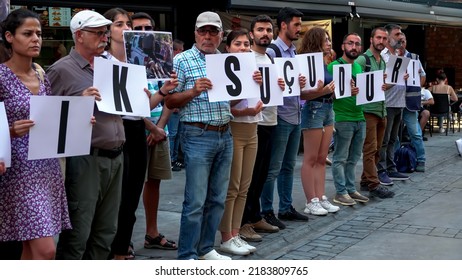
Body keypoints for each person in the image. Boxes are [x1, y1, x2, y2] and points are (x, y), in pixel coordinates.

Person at [47, 10, 125, 260]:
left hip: (116, 155)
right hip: (85, 157)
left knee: (106, 231)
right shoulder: (61, 70)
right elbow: (47, 118)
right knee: (79, 231)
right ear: (79, 35)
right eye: (98, 32)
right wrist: (78, 102)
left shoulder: (109, 64)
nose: (104, 37)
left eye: (105, 32)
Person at [0, 8, 71, 259]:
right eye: (28, 33)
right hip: (17, 170)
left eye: (39, 34)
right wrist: (9, 130)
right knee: (46, 249)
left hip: (46, 166)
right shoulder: (1, 76)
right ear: (9, 37)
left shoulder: (41, 74)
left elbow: (48, 118)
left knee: (32, 250)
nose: (36, 39)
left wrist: (77, 121)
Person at [164, 11, 233, 260]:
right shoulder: (182, 60)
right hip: (197, 133)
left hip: (225, 132)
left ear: (220, 36)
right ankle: (187, 255)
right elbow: (170, 100)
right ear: (195, 33)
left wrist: (253, 82)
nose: (207, 36)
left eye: (213, 31)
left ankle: (205, 248)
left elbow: (233, 99)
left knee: (217, 198)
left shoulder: (226, 60)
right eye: (203, 31)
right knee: (195, 200)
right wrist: (193, 91)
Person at [131, 12, 179, 253]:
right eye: (137, 28)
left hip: (160, 127)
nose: (143, 32)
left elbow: (169, 96)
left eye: (147, 27)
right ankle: (124, 238)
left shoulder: (162, 59)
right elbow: (126, 104)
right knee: (129, 186)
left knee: (154, 183)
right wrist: (150, 126)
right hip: (135, 129)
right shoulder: (126, 60)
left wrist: (160, 126)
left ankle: (152, 232)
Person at [261, 7, 308, 230]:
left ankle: (286, 207)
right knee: (273, 167)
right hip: (279, 116)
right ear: (283, 25)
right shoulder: (272, 52)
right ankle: (266, 211)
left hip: (295, 113)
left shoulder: (293, 52)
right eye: (296, 24)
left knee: (289, 165)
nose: (299, 29)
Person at [239, 14, 284, 242]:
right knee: (250, 176)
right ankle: (243, 222)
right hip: (253, 123)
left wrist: (281, 85)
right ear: (251, 33)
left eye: (268, 30)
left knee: (262, 174)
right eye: (260, 30)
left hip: (271, 120)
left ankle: (255, 216)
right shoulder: (246, 58)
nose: (265, 34)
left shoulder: (270, 58)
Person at [218, 28, 263, 256]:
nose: (243, 48)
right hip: (235, 129)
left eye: (246, 44)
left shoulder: (253, 68)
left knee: (244, 186)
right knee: (232, 187)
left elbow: (265, 97)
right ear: (228, 47)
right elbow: (224, 107)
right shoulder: (224, 69)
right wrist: (246, 109)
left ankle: (235, 233)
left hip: (253, 129)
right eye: (238, 44)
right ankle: (226, 235)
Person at [297, 27, 339, 215]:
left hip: (328, 107)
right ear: (316, 42)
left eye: (329, 40)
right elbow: (302, 93)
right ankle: (310, 200)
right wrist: (323, 91)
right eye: (325, 40)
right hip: (314, 108)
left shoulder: (323, 61)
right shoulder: (306, 63)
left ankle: (321, 197)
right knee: (311, 157)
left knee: (322, 157)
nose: (329, 43)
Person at [328, 33, 369, 206]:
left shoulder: (359, 68)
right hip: (343, 117)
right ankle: (340, 192)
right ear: (343, 46)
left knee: (353, 158)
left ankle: (350, 188)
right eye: (350, 43)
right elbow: (326, 94)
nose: (354, 47)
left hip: (360, 116)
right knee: (340, 158)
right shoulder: (332, 67)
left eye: (357, 44)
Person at [356, 27, 395, 198]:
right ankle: (373, 183)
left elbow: (382, 86)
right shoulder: (362, 59)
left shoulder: (382, 61)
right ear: (371, 39)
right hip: (368, 110)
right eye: (378, 38)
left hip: (381, 109)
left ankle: (366, 180)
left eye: (384, 38)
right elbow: (354, 81)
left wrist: (390, 84)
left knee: (378, 149)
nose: (381, 41)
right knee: (370, 149)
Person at [376, 23, 409, 185]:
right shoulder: (382, 55)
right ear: (388, 37)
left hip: (399, 102)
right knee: (384, 138)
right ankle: (381, 169)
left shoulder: (397, 55)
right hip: (387, 102)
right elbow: (382, 78)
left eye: (401, 34)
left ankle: (391, 167)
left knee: (393, 138)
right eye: (397, 34)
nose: (400, 37)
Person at [399, 34, 427, 172]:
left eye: (403, 41)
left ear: (406, 42)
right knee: (394, 134)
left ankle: (421, 159)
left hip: (410, 101)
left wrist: (418, 87)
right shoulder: (390, 57)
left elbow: (423, 74)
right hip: (395, 101)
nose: (401, 44)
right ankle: (397, 158)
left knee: (415, 132)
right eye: (399, 41)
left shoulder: (414, 58)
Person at [168, 38, 185, 171]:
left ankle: (176, 158)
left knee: (179, 134)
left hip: (181, 106)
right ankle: (171, 160)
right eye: (177, 50)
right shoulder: (168, 65)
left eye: (181, 50)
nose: (180, 52)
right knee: (172, 134)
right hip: (172, 107)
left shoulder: (182, 63)